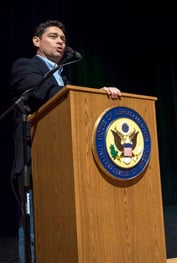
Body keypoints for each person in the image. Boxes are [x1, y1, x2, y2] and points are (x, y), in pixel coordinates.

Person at [9, 20, 122, 263]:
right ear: (36, 41)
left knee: (63, 225)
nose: (61, 41)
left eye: (63, 38)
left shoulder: (65, 80)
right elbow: (43, 94)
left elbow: (76, 109)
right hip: (35, 159)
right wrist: (87, 96)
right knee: (34, 225)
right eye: (53, 36)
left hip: (66, 163)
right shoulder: (25, 66)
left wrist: (99, 98)